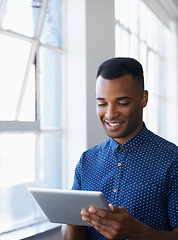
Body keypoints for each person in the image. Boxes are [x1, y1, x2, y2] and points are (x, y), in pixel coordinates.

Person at [61, 57, 178, 240]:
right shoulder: (87, 161)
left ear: (143, 99)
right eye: (102, 103)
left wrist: (137, 232)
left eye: (122, 103)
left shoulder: (172, 160)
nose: (110, 114)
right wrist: (71, 222)